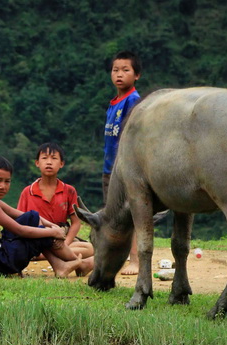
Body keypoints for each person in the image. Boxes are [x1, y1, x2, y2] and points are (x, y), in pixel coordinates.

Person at [0, 155, 84, 277]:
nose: (2, 186)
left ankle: (62, 265)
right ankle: (79, 265)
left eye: (7, 181)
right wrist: (53, 233)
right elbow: (19, 230)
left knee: (31, 217)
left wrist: (53, 227)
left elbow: (24, 216)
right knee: (40, 232)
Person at [17, 142, 94, 274]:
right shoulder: (28, 192)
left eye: (54, 158)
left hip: (61, 238)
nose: (49, 162)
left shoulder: (69, 190)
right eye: (44, 158)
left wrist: (66, 244)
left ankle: (59, 256)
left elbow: (76, 223)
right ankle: (79, 263)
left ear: (61, 164)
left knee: (90, 248)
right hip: (37, 239)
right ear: (37, 163)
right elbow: (19, 220)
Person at [103, 50, 142, 275]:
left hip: (125, 169)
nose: (119, 74)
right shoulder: (114, 103)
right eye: (116, 70)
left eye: (126, 70)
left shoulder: (133, 101)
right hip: (110, 168)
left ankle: (135, 260)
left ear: (136, 75)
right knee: (113, 216)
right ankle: (115, 258)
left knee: (132, 214)